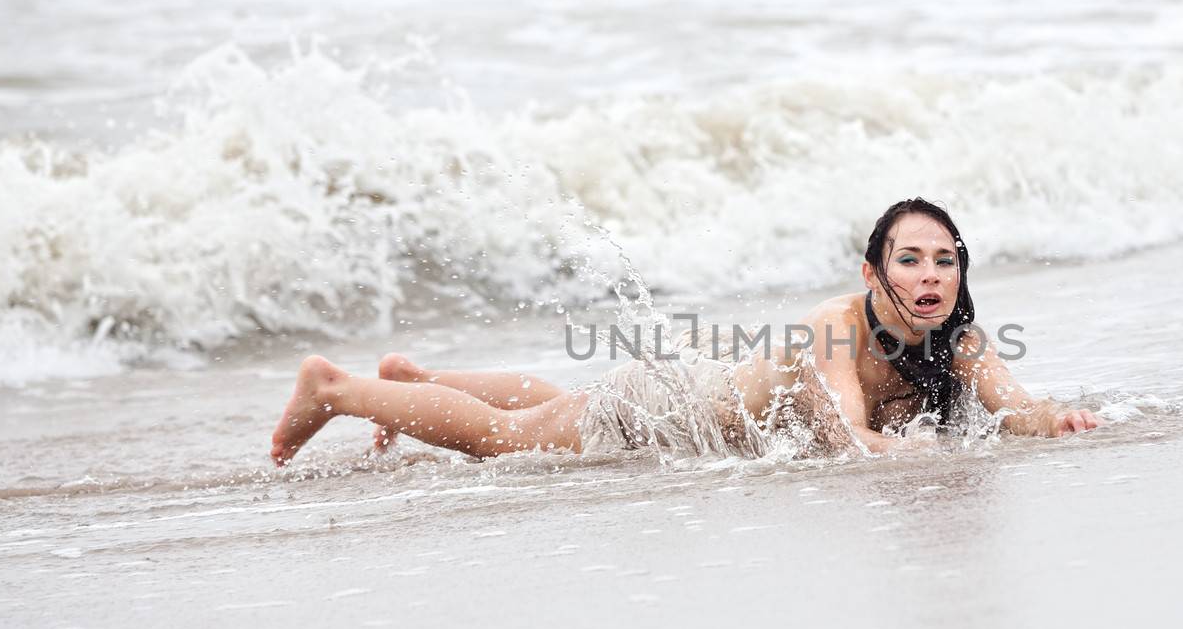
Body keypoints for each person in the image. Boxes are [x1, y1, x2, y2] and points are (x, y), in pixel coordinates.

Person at [269, 198, 1099, 466]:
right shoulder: (836, 329)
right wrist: (912, 454)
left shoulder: (961, 338)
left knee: (559, 403)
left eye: (944, 261)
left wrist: (1054, 419)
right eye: (909, 260)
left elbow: (1015, 407)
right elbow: (848, 432)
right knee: (510, 438)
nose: (929, 277)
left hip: (702, 384)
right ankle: (335, 389)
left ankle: (412, 383)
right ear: (871, 272)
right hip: (671, 403)